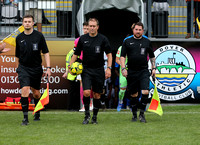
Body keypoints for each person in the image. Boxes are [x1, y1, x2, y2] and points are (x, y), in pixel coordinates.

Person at [69, 18, 112, 124]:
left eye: (94, 26)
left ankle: (95, 117)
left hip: (99, 70)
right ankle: (87, 115)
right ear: (87, 27)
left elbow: (109, 54)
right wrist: (70, 67)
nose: (92, 28)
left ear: (97, 27)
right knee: (87, 92)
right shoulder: (82, 39)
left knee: (97, 95)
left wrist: (109, 68)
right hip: (86, 70)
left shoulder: (103, 39)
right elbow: (76, 54)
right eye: (90, 26)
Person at [15, 15, 51, 126]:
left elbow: (46, 52)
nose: (27, 23)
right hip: (23, 68)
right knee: (25, 90)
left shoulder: (39, 36)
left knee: (36, 93)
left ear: (33, 23)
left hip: (36, 68)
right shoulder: (19, 37)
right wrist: (17, 68)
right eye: (25, 21)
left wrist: (48, 68)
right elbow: (17, 55)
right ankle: (25, 118)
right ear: (22, 23)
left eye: (29, 21)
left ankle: (37, 111)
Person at [120, 22, 156, 123]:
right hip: (131, 71)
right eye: (136, 29)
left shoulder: (147, 41)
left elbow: (152, 56)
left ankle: (142, 114)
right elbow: (122, 56)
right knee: (134, 94)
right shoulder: (127, 41)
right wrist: (123, 68)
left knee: (145, 92)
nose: (138, 31)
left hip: (143, 71)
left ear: (143, 31)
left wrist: (154, 68)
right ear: (133, 30)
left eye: (140, 30)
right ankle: (134, 114)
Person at [62, 22, 93, 111]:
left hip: (92, 65)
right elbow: (75, 54)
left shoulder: (95, 39)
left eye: (88, 28)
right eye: (85, 28)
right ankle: (84, 104)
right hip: (81, 65)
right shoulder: (78, 40)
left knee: (92, 86)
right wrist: (69, 68)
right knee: (82, 85)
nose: (86, 30)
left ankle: (92, 102)